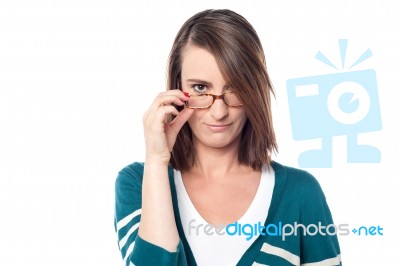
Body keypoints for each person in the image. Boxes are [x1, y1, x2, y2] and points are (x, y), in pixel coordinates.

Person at [114, 9, 342, 266]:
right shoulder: (138, 183)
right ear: (178, 87)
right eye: (200, 88)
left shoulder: (301, 193)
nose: (219, 111)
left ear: (253, 90)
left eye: (235, 88)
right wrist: (156, 161)